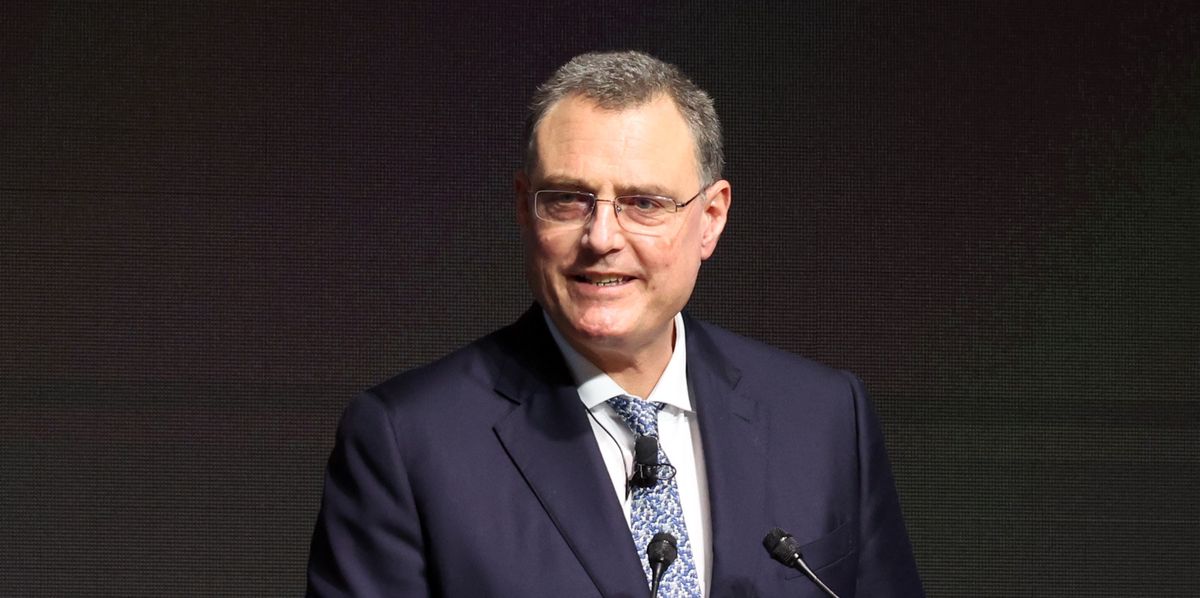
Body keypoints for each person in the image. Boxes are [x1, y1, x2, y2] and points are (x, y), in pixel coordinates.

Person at [306, 50, 924, 598]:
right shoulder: (407, 441)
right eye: (568, 200)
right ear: (525, 209)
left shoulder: (824, 417)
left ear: (710, 218)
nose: (601, 238)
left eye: (644, 203)